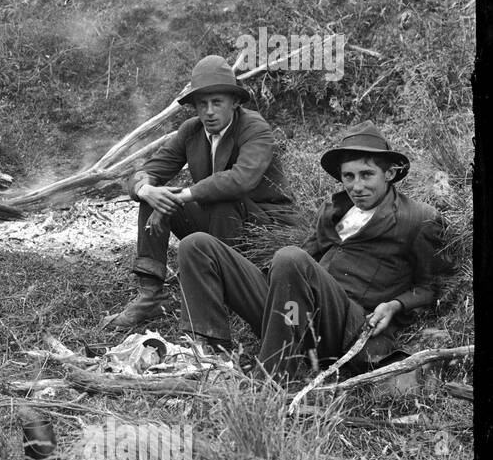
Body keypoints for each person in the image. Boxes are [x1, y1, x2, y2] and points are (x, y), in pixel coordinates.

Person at [175, 123, 453, 377]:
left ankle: (276, 376)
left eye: (367, 175)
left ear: (389, 173)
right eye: (349, 176)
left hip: (345, 327)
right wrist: (251, 284)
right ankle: (213, 358)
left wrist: (395, 305)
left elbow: (435, 285)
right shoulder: (335, 210)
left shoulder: (418, 218)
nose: (357, 186)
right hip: (293, 315)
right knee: (197, 244)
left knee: (290, 258)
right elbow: (301, 261)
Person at [107, 54, 296, 330]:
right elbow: (147, 171)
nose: (209, 111)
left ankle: (218, 296)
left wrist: (181, 196)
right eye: (202, 104)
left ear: (235, 102)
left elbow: (240, 180)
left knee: (221, 199)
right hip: (220, 226)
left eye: (217, 102)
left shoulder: (255, 129)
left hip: (266, 229)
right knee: (154, 198)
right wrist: (146, 189)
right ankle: (150, 296)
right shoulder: (192, 131)